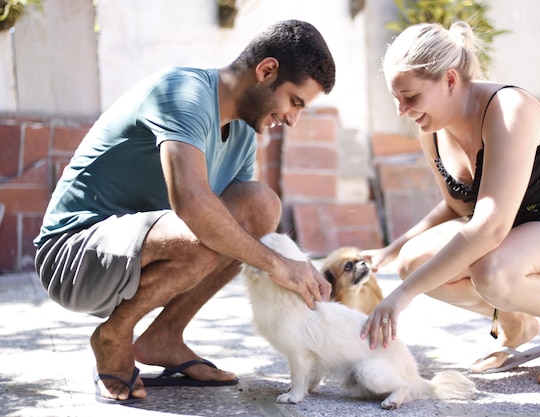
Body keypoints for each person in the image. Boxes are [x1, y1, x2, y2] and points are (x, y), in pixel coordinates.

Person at [33, 19, 334, 404]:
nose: (292, 118)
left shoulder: (242, 131)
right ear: (267, 71)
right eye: (294, 101)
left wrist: (295, 264)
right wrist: (278, 264)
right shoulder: (184, 92)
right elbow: (193, 206)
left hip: (137, 254)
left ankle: (165, 336)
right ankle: (114, 334)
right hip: (73, 257)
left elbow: (239, 222)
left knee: (259, 205)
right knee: (208, 223)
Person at [360, 21, 540, 386]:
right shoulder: (432, 132)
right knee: (414, 261)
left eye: (411, 97)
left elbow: (489, 227)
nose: (400, 110)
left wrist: (402, 296)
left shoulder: (508, 110)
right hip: (516, 236)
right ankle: (517, 324)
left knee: (492, 269)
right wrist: (392, 250)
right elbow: (457, 209)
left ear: (450, 80)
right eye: (396, 97)